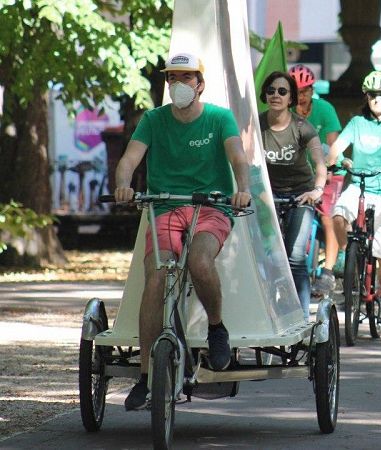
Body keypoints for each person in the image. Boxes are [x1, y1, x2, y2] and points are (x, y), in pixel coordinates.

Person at [114, 52, 252, 410]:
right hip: (165, 206)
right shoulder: (153, 119)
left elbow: (238, 157)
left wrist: (243, 189)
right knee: (156, 276)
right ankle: (146, 377)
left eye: (186, 77)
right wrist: (123, 185)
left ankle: (216, 328)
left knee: (200, 262)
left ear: (200, 84)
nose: (178, 84)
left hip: (212, 206)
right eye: (172, 78)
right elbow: (129, 159)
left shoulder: (219, 118)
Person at [325, 70, 381, 323]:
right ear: (366, 96)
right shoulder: (357, 122)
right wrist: (339, 160)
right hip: (359, 186)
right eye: (372, 94)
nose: (377, 98)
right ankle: (346, 254)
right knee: (338, 215)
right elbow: (336, 149)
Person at [259, 71, 327, 321]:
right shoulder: (256, 125)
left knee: (296, 257)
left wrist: (316, 190)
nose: (276, 95)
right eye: (271, 90)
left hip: (300, 194)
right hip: (268, 196)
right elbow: (245, 159)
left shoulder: (302, 127)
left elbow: (320, 165)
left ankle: (301, 317)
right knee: (267, 256)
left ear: (291, 98)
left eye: (282, 91)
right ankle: (267, 315)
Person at [286, 64, 344, 296]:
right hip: (299, 172)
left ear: (312, 90)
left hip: (329, 169)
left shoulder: (325, 109)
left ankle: (328, 272)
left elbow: (333, 144)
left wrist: (328, 168)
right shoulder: (286, 111)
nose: (301, 97)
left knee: (328, 216)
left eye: (305, 91)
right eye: (296, 92)